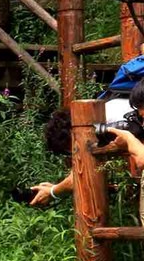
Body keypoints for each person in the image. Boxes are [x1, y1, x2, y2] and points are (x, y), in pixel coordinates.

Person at [30, 83, 144, 227]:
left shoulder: (96, 125)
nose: (72, 155)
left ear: (70, 140)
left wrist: (53, 191)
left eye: (69, 151)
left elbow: (78, 175)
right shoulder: (104, 113)